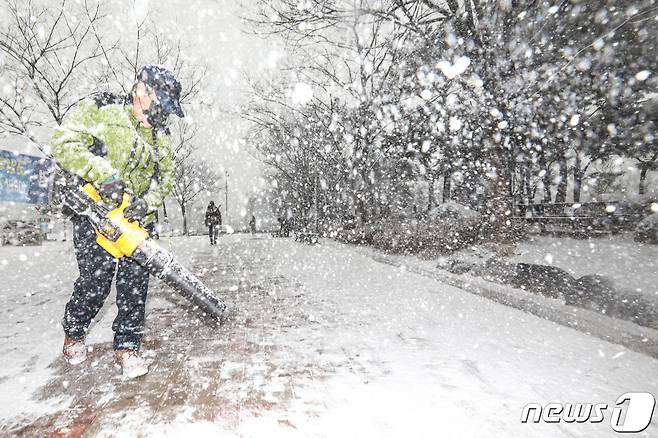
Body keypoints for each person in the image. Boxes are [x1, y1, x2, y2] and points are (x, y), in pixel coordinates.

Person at [51, 65, 184, 378]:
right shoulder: (102, 107)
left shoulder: (160, 135)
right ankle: (74, 331)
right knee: (95, 283)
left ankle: (127, 346)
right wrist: (103, 174)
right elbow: (64, 143)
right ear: (142, 91)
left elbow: (166, 179)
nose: (162, 115)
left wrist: (147, 203)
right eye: (160, 105)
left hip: (135, 220)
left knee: (135, 286)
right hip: (94, 211)